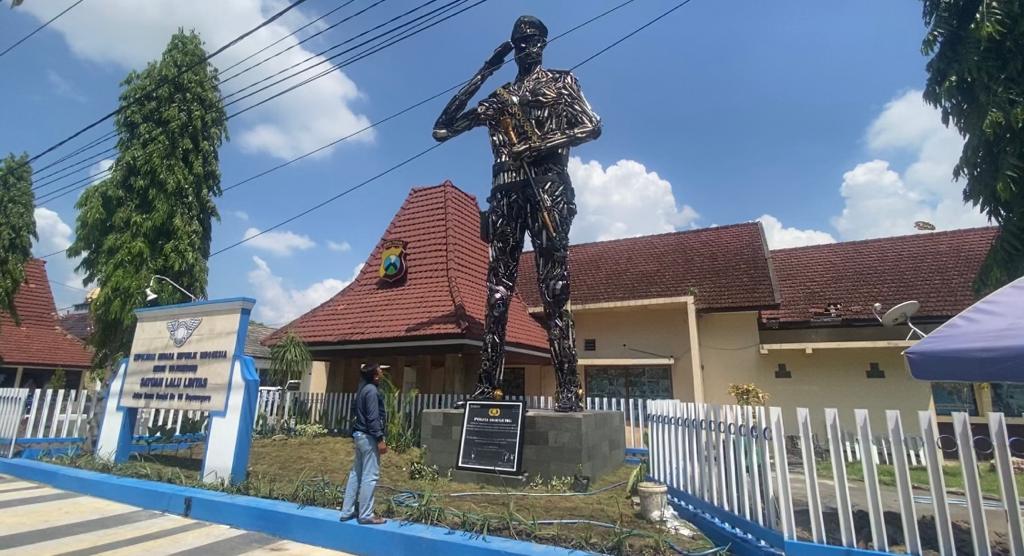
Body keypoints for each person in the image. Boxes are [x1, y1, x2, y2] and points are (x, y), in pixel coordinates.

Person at [432, 15, 601, 412]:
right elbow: (443, 129)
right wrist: (485, 70)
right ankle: (487, 385)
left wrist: (540, 144)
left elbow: (592, 126)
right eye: (519, 42)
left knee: (554, 290)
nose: (526, 46)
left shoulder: (561, 82)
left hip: (548, 188)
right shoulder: (500, 96)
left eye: (533, 40)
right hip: (505, 193)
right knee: (496, 291)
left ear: (544, 43)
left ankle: (567, 390)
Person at [339, 362, 389, 524]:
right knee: (370, 475)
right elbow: (373, 418)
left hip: (359, 435)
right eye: (380, 372)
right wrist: (380, 439)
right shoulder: (372, 392)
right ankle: (366, 514)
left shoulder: (362, 390)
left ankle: (347, 511)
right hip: (369, 437)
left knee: (356, 473)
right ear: (374, 375)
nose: (382, 374)